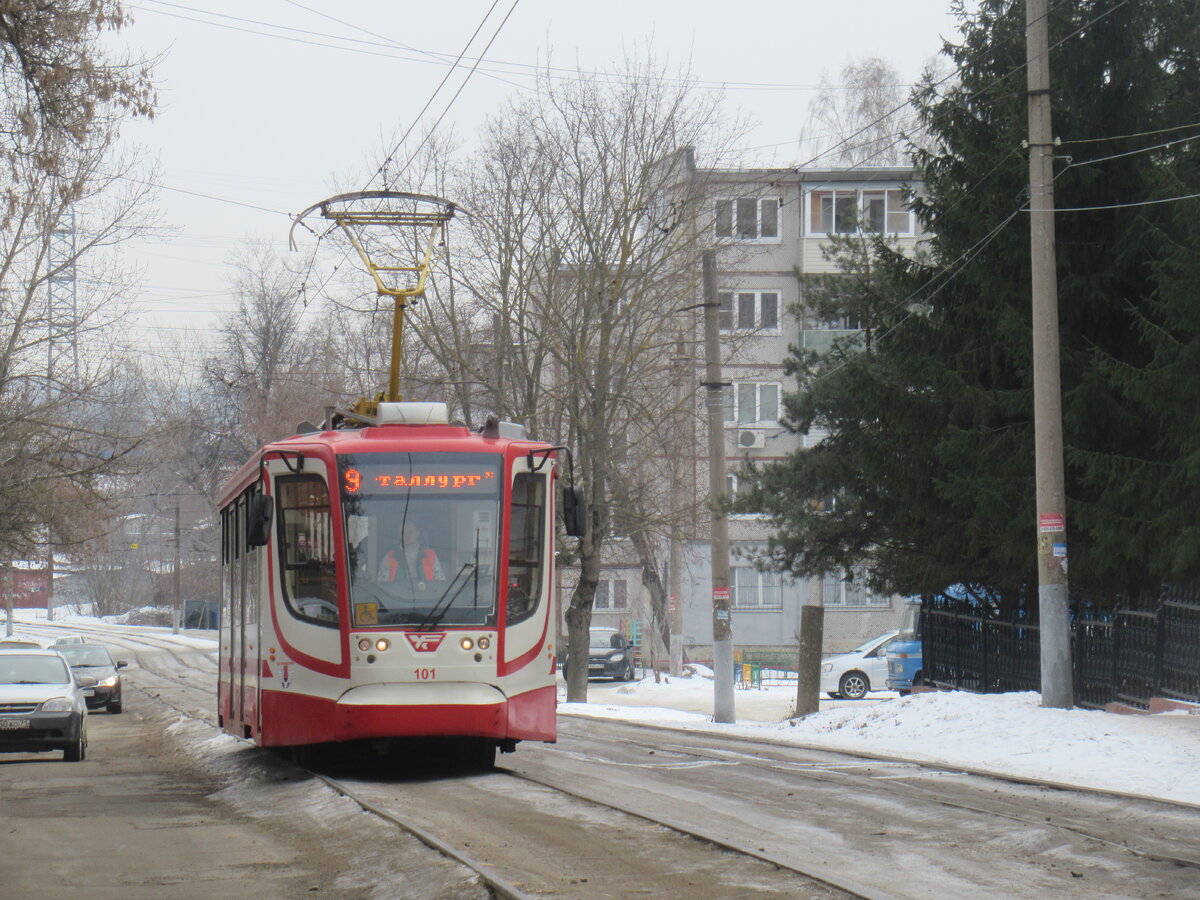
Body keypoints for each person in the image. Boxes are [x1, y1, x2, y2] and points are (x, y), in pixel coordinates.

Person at [377, 520, 444, 586]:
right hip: (396, 596)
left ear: (418, 533)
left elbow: (440, 582)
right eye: (403, 532)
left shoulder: (431, 556)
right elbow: (383, 585)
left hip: (428, 596)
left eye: (410, 532)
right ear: (398, 535)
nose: (406, 535)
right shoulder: (389, 557)